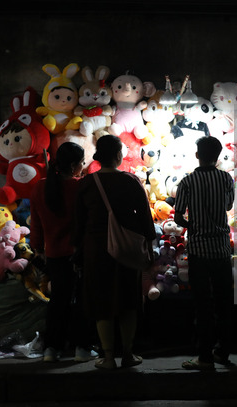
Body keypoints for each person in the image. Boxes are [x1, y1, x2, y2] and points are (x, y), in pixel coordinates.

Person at [72, 135, 156, 370]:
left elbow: (78, 224)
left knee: (102, 302)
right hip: (127, 251)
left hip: (96, 251)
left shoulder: (86, 184)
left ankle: (108, 357)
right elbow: (146, 220)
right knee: (128, 301)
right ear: (118, 156)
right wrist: (149, 246)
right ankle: (127, 354)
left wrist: (77, 250)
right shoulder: (131, 181)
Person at [29, 141, 98, 363]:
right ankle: (82, 348)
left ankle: (51, 349)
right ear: (73, 165)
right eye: (81, 162)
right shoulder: (80, 186)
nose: (83, 165)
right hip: (80, 253)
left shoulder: (40, 186)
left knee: (58, 301)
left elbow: (36, 224)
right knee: (82, 300)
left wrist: (38, 249)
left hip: (54, 254)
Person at [174, 136, 234, 370]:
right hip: (221, 249)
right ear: (218, 156)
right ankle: (223, 351)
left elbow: (178, 217)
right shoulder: (226, 178)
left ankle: (205, 357)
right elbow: (228, 206)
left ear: (197, 155)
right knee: (224, 303)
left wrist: (194, 226)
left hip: (199, 250)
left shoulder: (187, 182)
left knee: (203, 305)